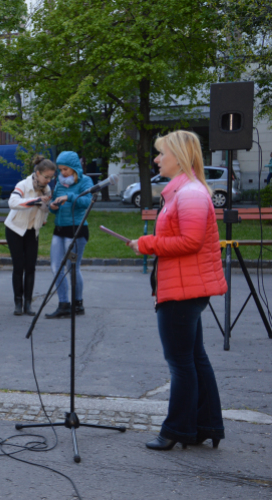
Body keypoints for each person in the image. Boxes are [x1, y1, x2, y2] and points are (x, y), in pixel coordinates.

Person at [128, 130, 227, 450]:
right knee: (194, 359)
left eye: (161, 153)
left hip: (184, 290)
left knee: (181, 363)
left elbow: (190, 241)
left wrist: (146, 243)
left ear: (179, 157)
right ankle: (205, 424)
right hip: (185, 286)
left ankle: (177, 430)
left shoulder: (191, 194)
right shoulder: (185, 191)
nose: (156, 159)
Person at [45, 151, 94, 319]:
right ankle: (64, 304)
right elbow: (53, 206)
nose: (63, 172)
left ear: (74, 167)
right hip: (60, 229)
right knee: (55, 266)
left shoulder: (85, 181)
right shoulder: (59, 183)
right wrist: (53, 207)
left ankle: (78, 303)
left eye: (66, 169)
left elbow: (87, 202)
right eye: (60, 169)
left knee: (72, 268)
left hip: (77, 230)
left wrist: (70, 196)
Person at [5, 155, 55, 316]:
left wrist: (46, 208)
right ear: (38, 173)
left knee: (31, 267)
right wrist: (35, 200)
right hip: (15, 229)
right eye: (46, 177)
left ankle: (28, 304)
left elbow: (45, 209)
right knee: (19, 267)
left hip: (32, 231)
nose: (48, 180)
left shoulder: (47, 190)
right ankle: (18, 303)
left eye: (51, 178)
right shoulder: (23, 185)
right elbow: (12, 203)